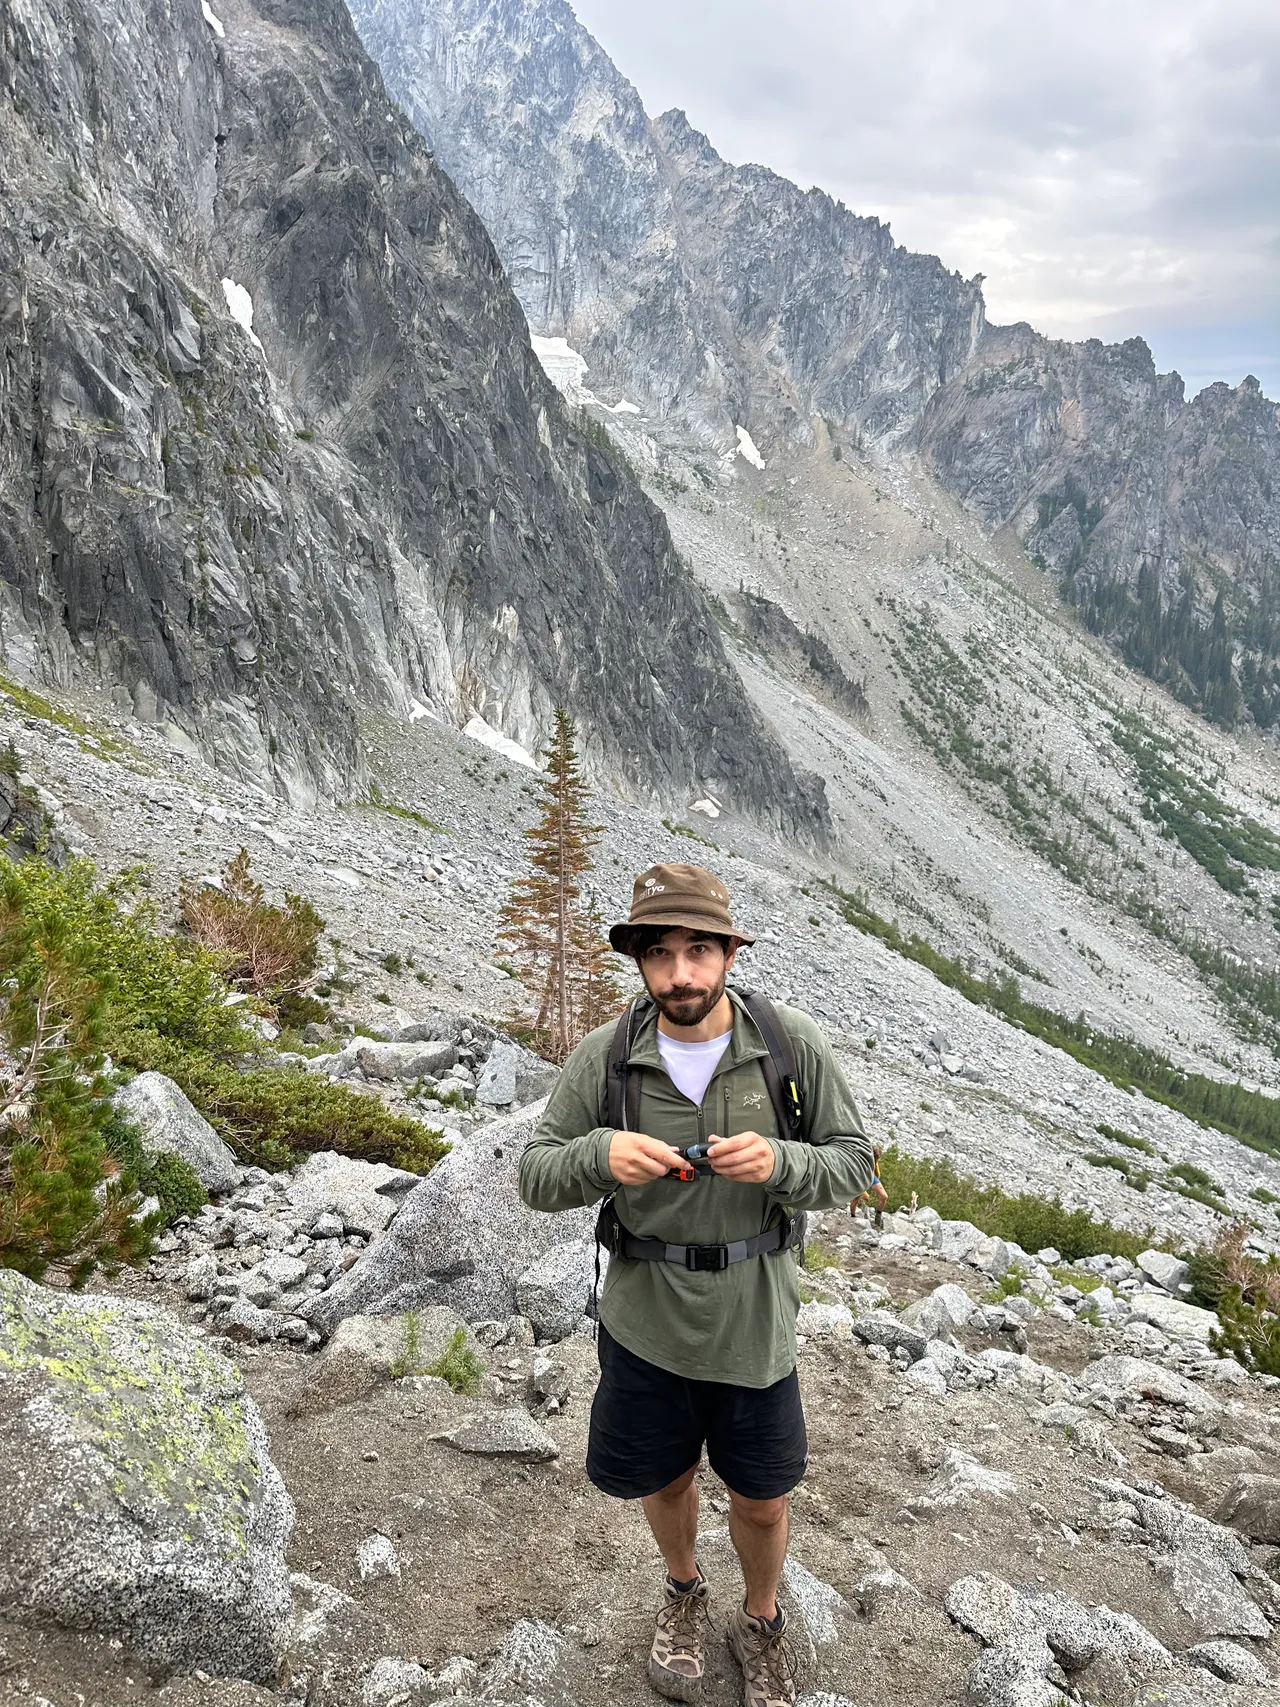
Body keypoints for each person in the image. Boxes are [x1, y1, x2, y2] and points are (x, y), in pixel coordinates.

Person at [519, 863, 875, 1707]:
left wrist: (783, 1161)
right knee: (667, 1478)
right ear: (639, 961)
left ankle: (762, 1619)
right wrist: (599, 1153)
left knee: (760, 1496)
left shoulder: (789, 1044)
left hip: (755, 1322)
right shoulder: (606, 1056)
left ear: (728, 952)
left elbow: (856, 1162)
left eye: (699, 951)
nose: (682, 973)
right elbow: (535, 1174)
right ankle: (683, 1590)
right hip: (645, 1318)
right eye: (662, 953)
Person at [852, 1144, 888, 1228]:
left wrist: (877, 1177)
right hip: (861, 1177)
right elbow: (857, 1176)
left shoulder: (875, 1159)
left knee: (884, 1196)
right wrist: (864, 1193)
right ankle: (852, 1216)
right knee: (856, 1200)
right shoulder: (862, 1160)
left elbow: (876, 1169)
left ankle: (878, 1217)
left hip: (871, 1177)